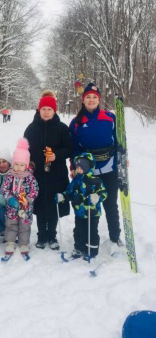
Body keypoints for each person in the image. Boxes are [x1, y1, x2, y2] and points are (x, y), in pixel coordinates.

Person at [69, 83, 123, 248]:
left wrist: (123, 157)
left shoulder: (110, 117)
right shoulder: (76, 122)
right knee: (92, 205)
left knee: (110, 204)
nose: (91, 100)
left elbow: (120, 140)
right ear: (83, 100)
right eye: (88, 97)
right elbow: (74, 147)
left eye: (94, 97)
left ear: (99, 99)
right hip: (88, 172)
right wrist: (73, 166)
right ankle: (91, 239)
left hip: (109, 168)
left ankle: (115, 236)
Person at [24, 90, 73, 250]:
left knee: (53, 206)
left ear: (54, 110)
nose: (46, 112)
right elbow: (24, 149)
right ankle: (41, 236)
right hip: (37, 174)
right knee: (40, 206)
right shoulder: (31, 128)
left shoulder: (62, 128)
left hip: (56, 175)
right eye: (43, 109)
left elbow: (69, 149)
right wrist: (28, 162)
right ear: (39, 110)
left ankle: (51, 235)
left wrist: (56, 155)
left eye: (49, 109)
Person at [56, 153, 107, 259]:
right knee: (79, 231)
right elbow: (69, 193)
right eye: (77, 168)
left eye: (81, 168)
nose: (78, 170)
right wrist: (63, 196)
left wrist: (97, 197)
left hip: (92, 213)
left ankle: (91, 251)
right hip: (79, 213)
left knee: (91, 232)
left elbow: (104, 193)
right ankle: (79, 248)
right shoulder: (75, 181)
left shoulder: (96, 181)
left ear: (88, 168)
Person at [1, 138, 39, 257]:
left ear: (26, 165)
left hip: (25, 208)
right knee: (11, 225)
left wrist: (28, 199)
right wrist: (9, 197)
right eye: (16, 164)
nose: (18, 167)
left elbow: (35, 189)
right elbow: (4, 188)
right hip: (12, 208)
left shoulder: (30, 177)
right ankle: (10, 242)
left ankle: (23, 243)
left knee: (24, 226)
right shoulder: (9, 176)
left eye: (21, 165)